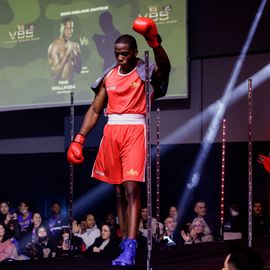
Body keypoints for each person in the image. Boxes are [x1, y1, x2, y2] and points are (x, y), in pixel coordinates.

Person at [67, 16, 170, 267]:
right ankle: (124, 242)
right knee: (118, 193)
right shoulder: (109, 76)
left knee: (132, 189)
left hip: (135, 129)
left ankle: (132, 247)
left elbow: (164, 69)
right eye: (117, 54)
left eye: (124, 53)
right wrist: (79, 138)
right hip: (112, 132)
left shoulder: (144, 71)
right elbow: (94, 109)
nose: (120, 58)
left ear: (134, 52)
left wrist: (155, 43)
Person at [48, 17, 82, 83]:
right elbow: (55, 77)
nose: (70, 31)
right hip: (60, 89)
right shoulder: (55, 46)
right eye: (67, 28)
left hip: (72, 87)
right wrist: (66, 54)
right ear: (62, 29)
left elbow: (78, 70)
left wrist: (78, 54)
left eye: (71, 28)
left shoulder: (73, 45)